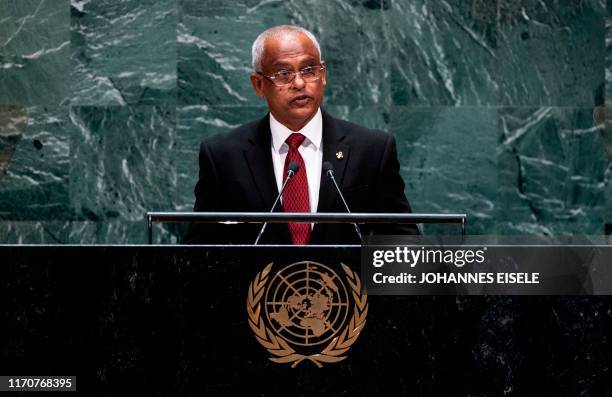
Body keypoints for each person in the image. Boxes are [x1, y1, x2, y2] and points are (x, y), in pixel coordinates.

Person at [183, 25, 419, 245]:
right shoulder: (224, 156)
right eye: (283, 74)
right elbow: (199, 251)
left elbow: (402, 243)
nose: (299, 83)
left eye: (309, 70)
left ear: (323, 75)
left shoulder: (372, 150)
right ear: (258, 85)